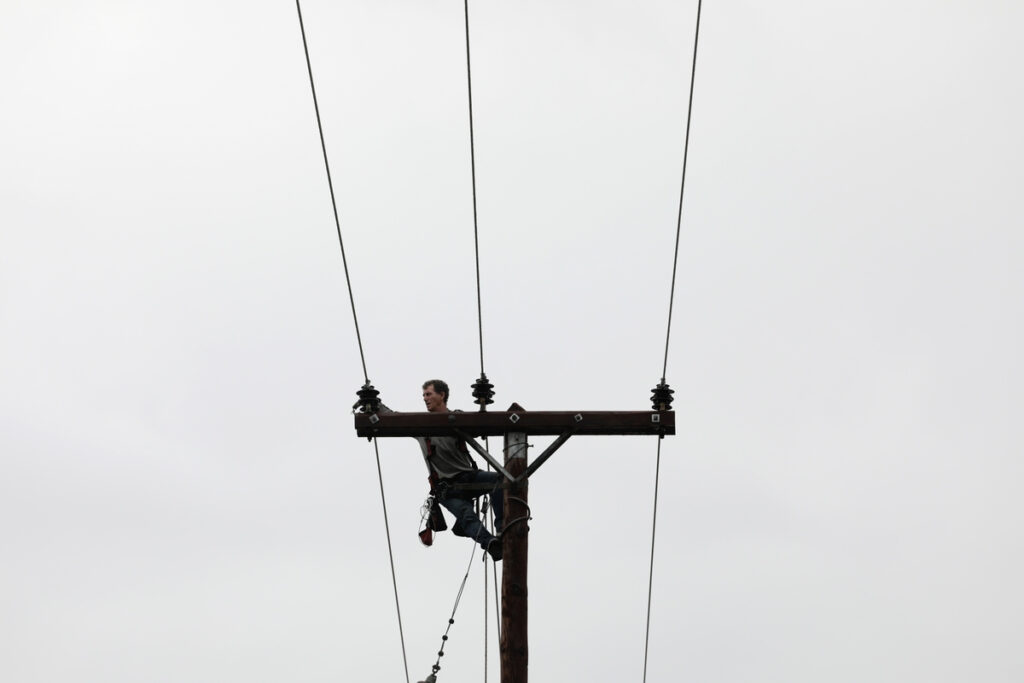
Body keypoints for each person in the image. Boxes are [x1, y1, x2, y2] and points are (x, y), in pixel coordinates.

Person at [418, 379, 504, 562]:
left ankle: (503, 527)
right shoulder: (420, 426)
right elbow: (392, 415)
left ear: (442, 395)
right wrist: (374, 405)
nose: (425, 398)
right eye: (424, 395)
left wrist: (475, 421)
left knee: (501, 479)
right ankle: (490, 543)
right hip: (447, 489)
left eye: (429, 394)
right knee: (467, 517)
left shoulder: (457, 419)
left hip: (468, 478)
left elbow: (479, 426)